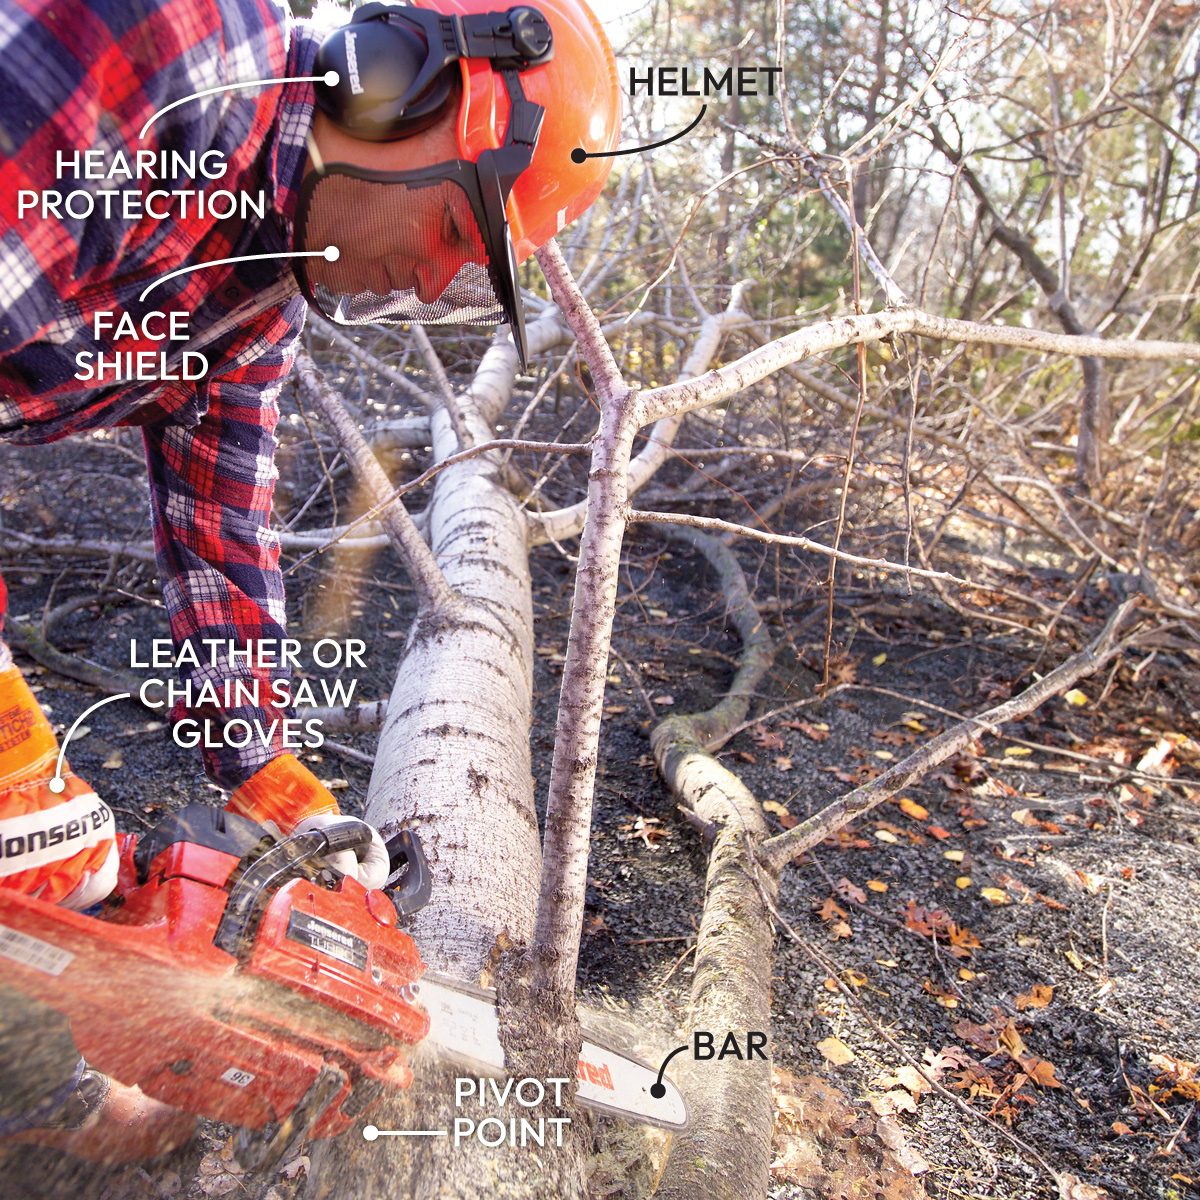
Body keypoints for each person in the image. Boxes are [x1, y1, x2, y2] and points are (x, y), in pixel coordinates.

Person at [0, 0, 619, 1161]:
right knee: (30, 841)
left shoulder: (249, 304)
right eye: (455, 227)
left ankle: (38, 1084)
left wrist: (267, 776)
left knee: (55, 881)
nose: (431, 279)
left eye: (464, 273)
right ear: (393, 84)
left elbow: (219, 532)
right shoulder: (156, 43)